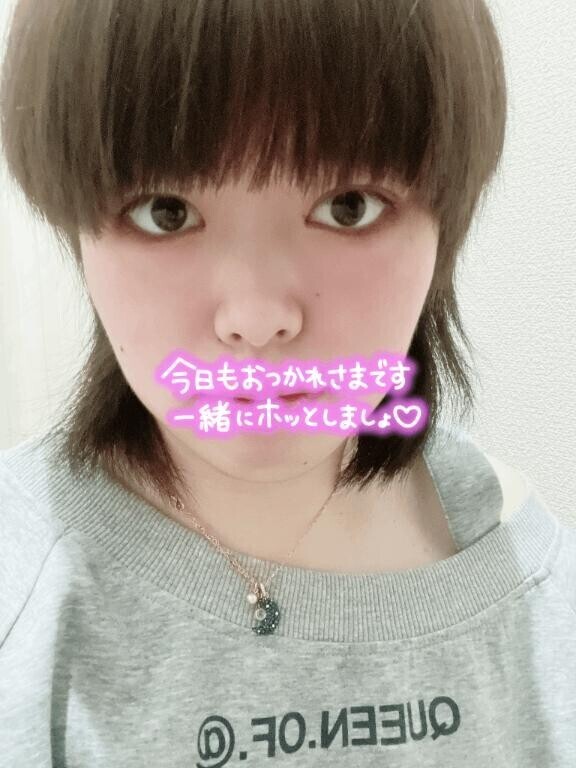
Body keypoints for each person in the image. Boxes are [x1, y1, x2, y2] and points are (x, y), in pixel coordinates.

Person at [1, 0, 575, 764]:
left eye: (347, 207)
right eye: (166, 212)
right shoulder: (23, 594)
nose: (257, 317)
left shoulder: (529, 578)